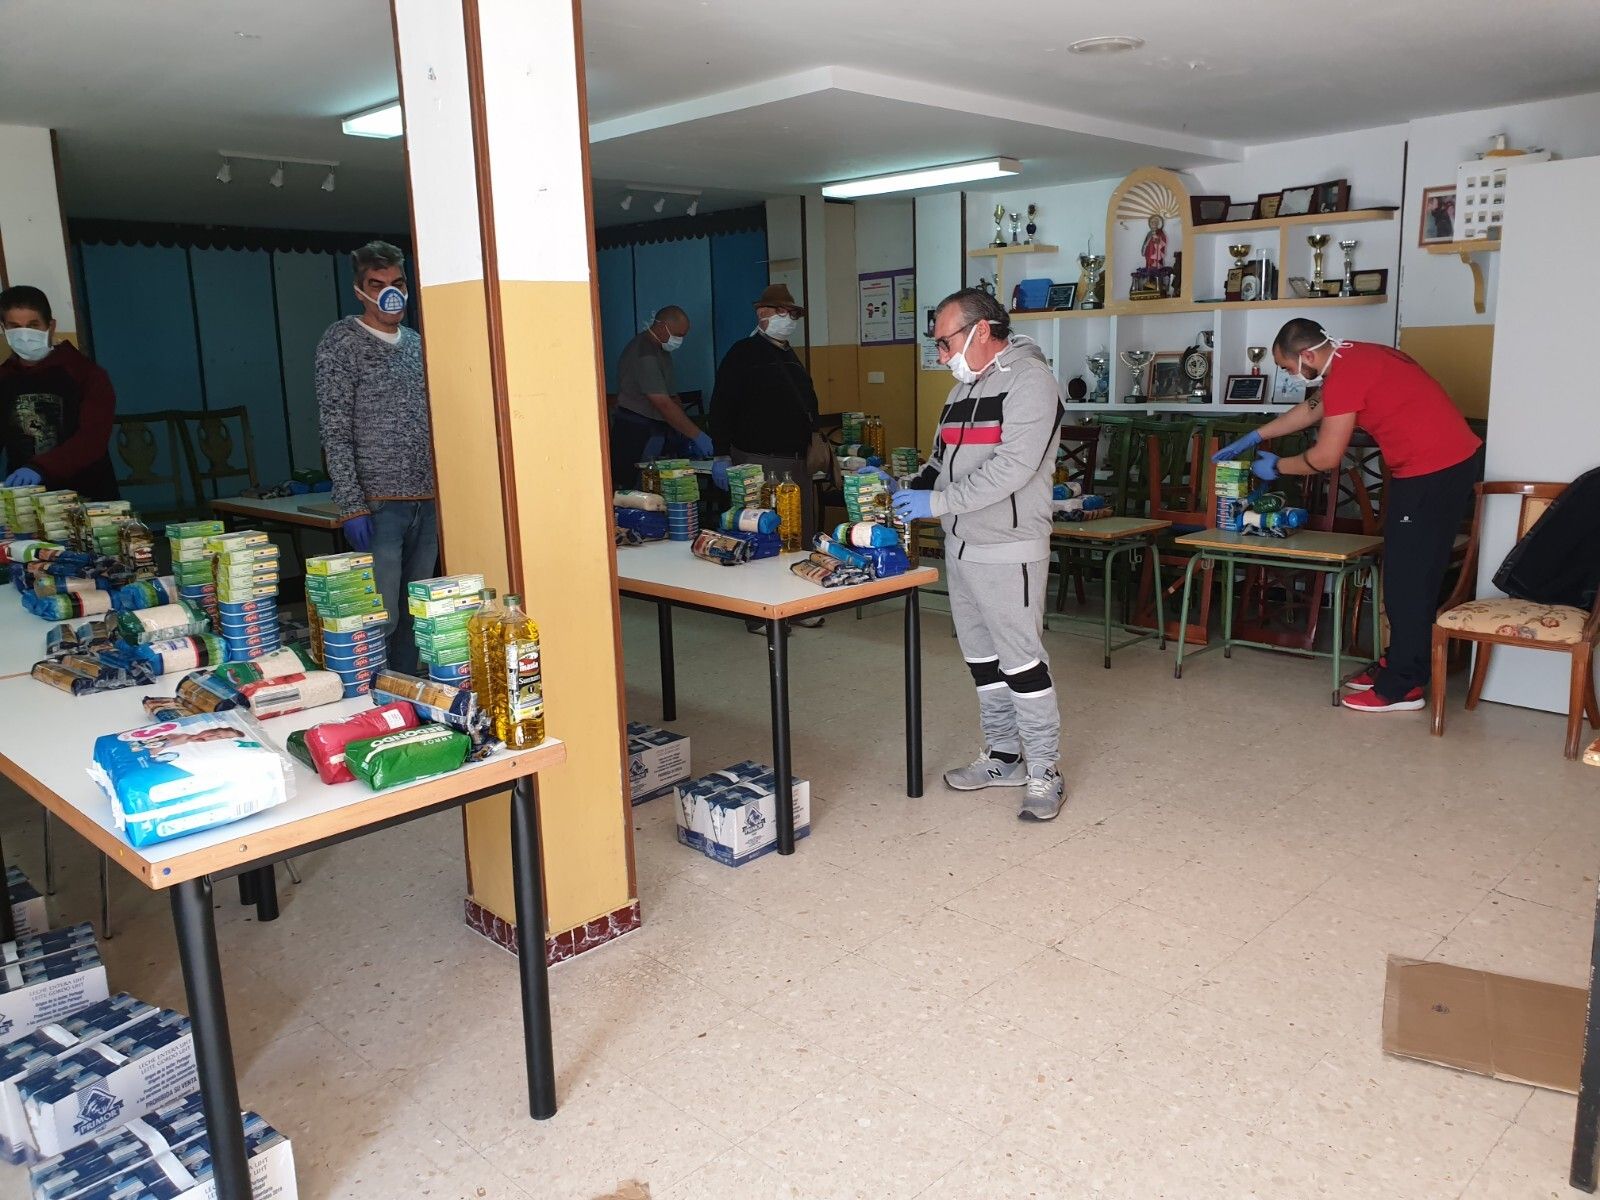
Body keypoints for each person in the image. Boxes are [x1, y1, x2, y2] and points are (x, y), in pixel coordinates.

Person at [1213, 319, 1482, 713]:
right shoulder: (1349, 356)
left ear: (1307, 355)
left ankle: (1404, 686)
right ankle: (1400, 660)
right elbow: (1311, 410)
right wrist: (1257, 436)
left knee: (1410, 576)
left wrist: (1278, 467)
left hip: (1436, 469)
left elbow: (1325, 457)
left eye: (1287, 368)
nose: (1289, 375)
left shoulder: (1344, 375)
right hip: (1431, 466)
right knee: (1403, 568)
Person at [875, 287, 1065, 820]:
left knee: (1023, 663)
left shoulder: (1032, 383)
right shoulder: (962, 392)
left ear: (981, 330)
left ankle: (1044, 769)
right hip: (962, 546)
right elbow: (941, 464)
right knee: (982, 660)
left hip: (1010, 548)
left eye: (943, 342)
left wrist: (934, 501)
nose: (940, 355)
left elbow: (1011, 470)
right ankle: (1003, 756)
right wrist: (901, 486)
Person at [315, 240, 438, 674]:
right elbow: (334, 427)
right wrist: (352, 505)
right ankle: (366, 703)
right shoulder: (341, 342)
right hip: (379, 505)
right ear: (360, 290)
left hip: (426, 502)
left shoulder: (417, 343)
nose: (391, 293)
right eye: (378, 284)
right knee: (378, 618)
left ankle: (401, 695)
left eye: (398, 283)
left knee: (416, 618)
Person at [709, 282, 824, 632]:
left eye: (791, 314)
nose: (787, 319)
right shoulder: (742, 353)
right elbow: (721, 406)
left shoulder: (790, 355)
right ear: (762, 316)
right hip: (756, 459)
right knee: (760, 536)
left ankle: (798, 605)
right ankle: (758, 613)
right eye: (781, 313)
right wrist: (720, 453)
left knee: (797, 536)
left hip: (794, 461)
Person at [0, 285, 118, 497]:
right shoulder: (4, 379)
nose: (25, 336)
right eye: (15, 327)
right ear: (4, 329)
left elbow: (92, 440)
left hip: (88, 496)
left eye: (33, 325)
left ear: (50, 326)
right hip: (25, 498)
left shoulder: (86, 374)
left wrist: (39, 468)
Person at [610, 306, 710, 490]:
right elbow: (662, 402)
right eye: (678, 335)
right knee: (637, 491)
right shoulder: (644, 352)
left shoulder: (660, 350)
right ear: (662, 327)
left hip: (655, 431)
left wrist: (684, 430)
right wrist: (696, 435)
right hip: (636, 431)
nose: (680, 340)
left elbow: (672, 397)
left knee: (656, 489)